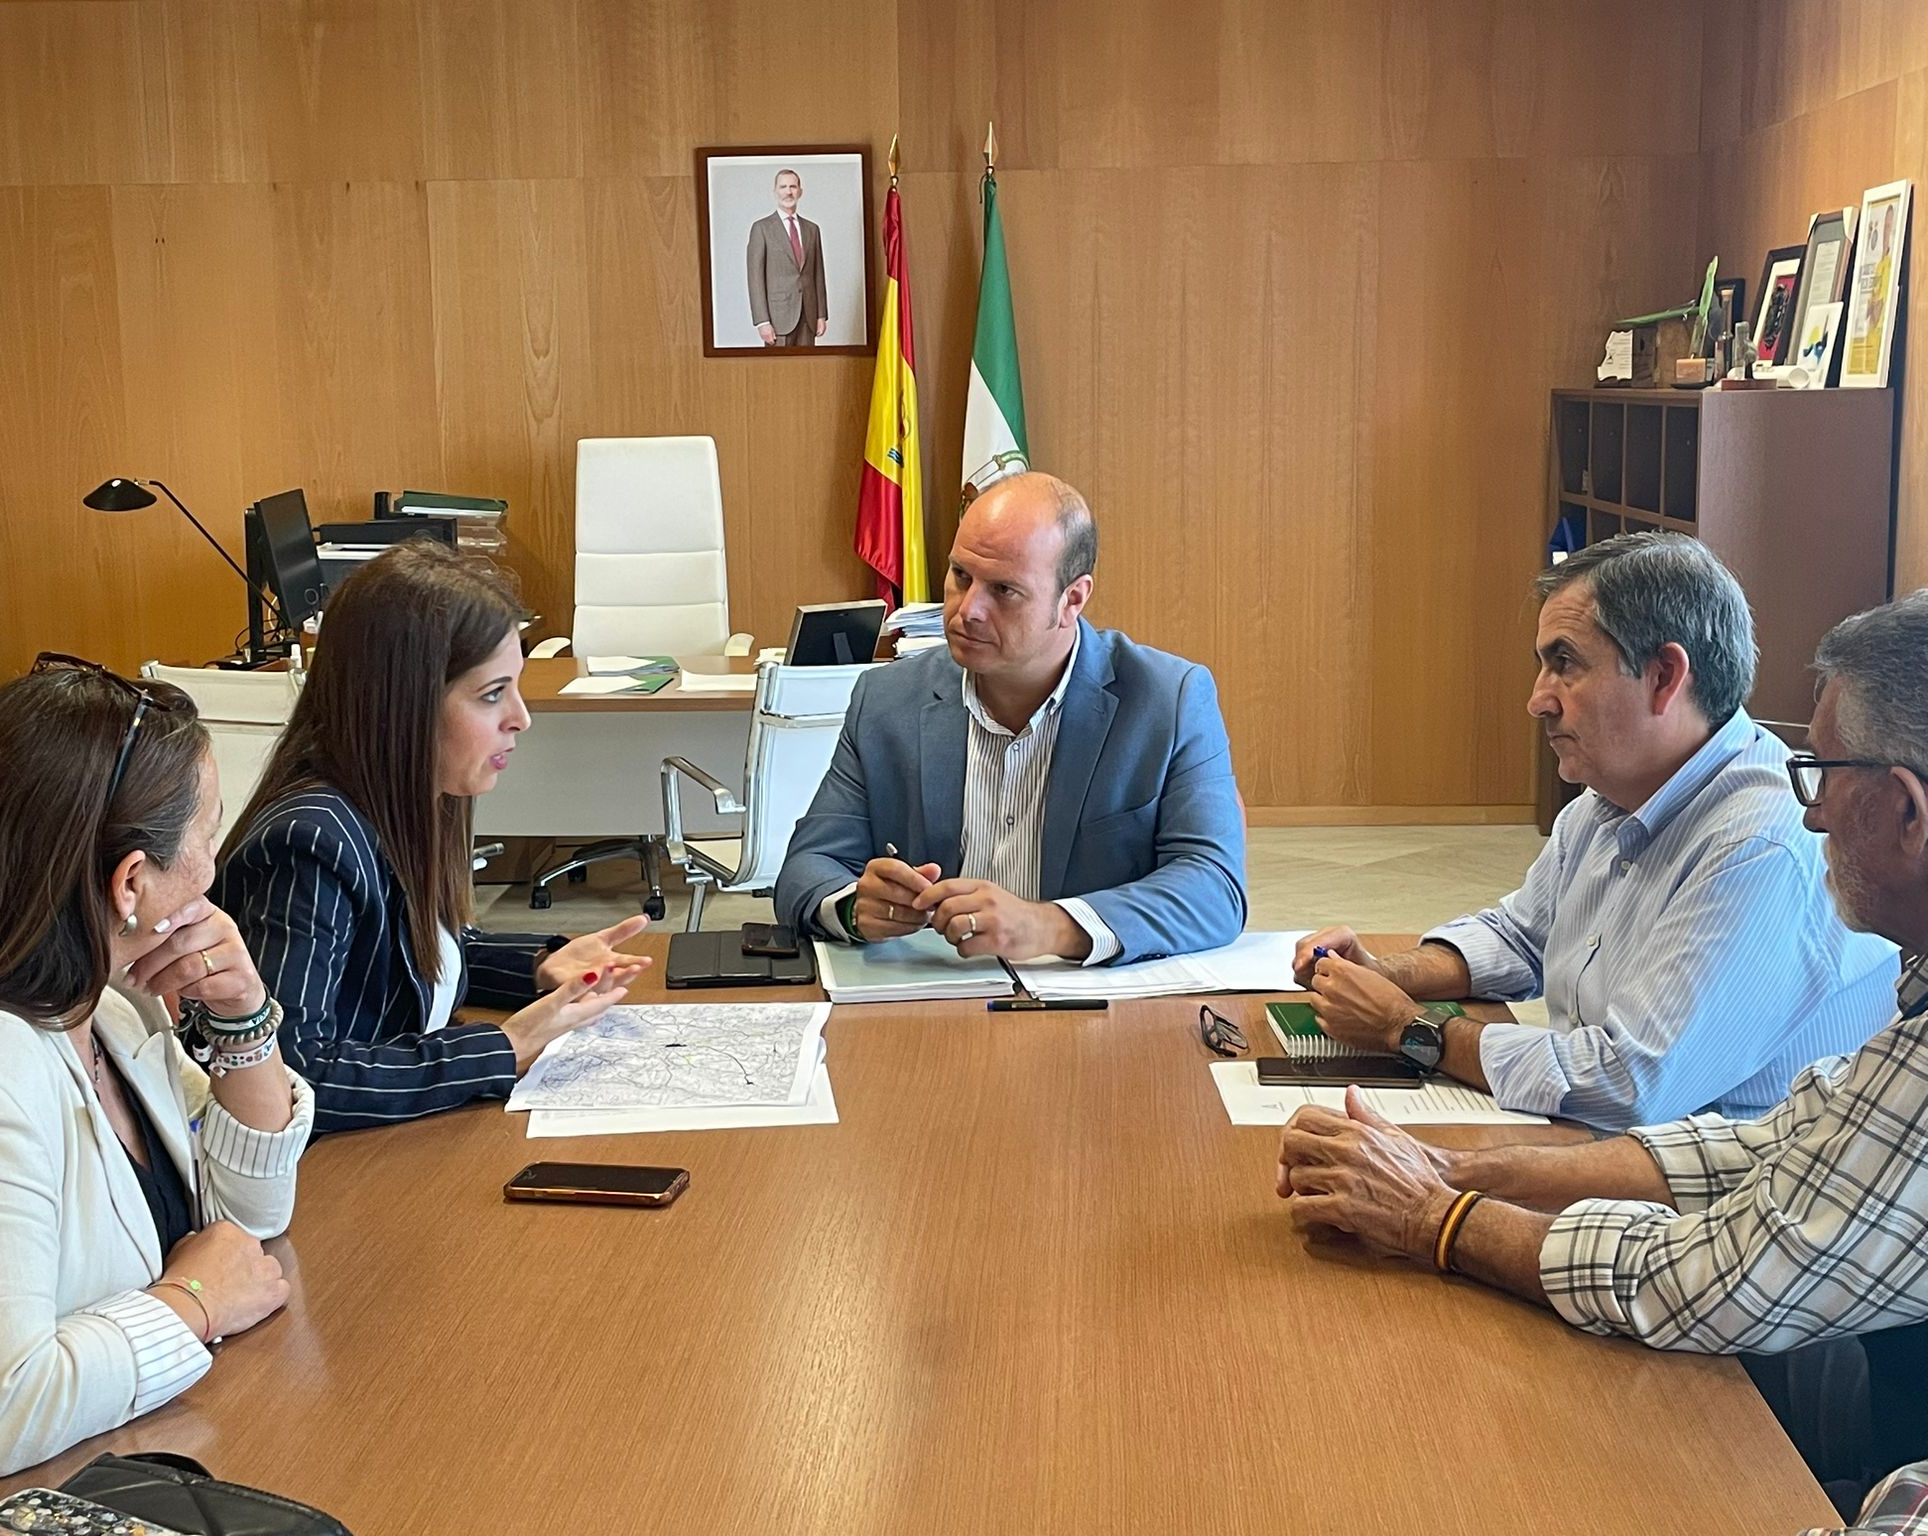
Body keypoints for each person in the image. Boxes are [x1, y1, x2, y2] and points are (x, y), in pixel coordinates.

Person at [1275, 591, 1928, 1510]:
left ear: (1908, 811)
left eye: (1822, 774)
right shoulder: (1610, 798)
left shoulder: (1762, 845)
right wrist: (1462, 1170)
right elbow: (1776, 1143)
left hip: (1787, 1342)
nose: (1812, 812)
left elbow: (1711, 1266)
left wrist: (1435, 1215)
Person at [0, 659, 314, 1536]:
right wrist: (196, 1301)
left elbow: (251, 1218)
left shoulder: (109, 1012)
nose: (214, 867)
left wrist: (243, 1012)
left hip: (114, 1458)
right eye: (208, 834)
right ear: (131, 884)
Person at [1293, 532, 1893, 1129]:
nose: (1538, 700)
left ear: (1664, 676)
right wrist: (1385, 974)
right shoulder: (1611, 796)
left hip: (1727, 1175)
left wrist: (1407, 1028)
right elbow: (1522, 936)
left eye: (1565, 665)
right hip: (1618, 1148)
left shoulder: (1760, 844)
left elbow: (1628, 1082)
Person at [217, 543, 651, 1134]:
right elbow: (293, 1077)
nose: (521, 717)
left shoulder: (402, 802)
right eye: (492, 694)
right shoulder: (309, 845)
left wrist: (540, 965)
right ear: (405, 703)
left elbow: (415, 955)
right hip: (334, 1172)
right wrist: (502, 1048)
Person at [776, 472, 1246, 965]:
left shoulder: (1168, 699)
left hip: (1085, 994)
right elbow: (809, 866)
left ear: (1072, 599)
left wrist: (1049, 926)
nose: (968, 610)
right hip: (930, 989)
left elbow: (1214, 888)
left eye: (1004, 590)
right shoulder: (887, 699)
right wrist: (854, 907)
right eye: (961, 576)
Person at [746, 168, 827, 347]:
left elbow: (818, 274)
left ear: (800, 191)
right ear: (775, 191)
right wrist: (762, 321)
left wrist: (821, 315)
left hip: (808, 316)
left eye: (793, 187)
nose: (788, 192)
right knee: (778, 365)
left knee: (808, 364)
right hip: (778, 319)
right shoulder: (761, 228)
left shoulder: (812, 229)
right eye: (783, 187)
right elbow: (755, 278)